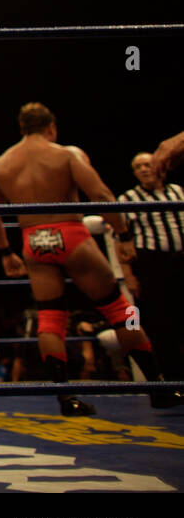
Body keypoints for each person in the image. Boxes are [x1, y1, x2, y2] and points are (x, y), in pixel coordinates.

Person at [0, 103, 183, 414]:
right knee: (119, 308)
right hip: (71, 233)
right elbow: (101, 195)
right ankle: (157, 387)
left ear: (22, 129)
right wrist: (124, 235)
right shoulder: (66, 153)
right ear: (51, 128)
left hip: (33, 240)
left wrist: (4, 252)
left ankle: (66, 399)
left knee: (49, 318)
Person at [116, 151, 184, 379]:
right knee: (160, 322)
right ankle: (174, 378)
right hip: (152, 264)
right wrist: (129, 275)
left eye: (147, 164)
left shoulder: (178, 191)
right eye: (138, 167)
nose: (144, 169)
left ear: (159, 167)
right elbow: (120, 241)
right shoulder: (128, 199)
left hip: (181, 260)